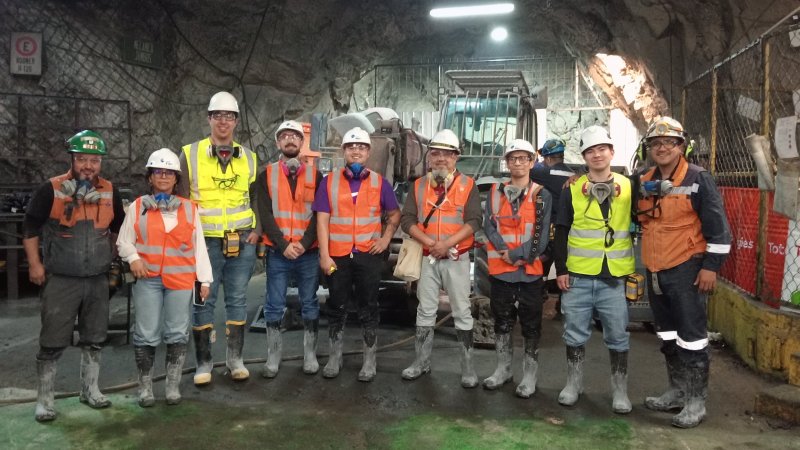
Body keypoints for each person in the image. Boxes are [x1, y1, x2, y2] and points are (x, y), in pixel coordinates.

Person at [23, 130, 126, 422]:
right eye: (82, 159)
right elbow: (30, 228)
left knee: (94, 337)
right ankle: (45, 400)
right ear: (72, 159)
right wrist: (35, 265)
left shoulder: (108, 191)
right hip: (62, 279)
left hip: (96, 279)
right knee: (53, 339)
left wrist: (113, 255)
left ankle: (90, 390)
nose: (88, 166)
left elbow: (119, 226)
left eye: (94, 160)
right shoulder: (52, 189)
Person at [636, 117, 731, 428]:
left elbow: (718, 229)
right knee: (666, 334)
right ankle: (676, 391)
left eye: (669, 142)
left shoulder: (698, 178)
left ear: (681, 146)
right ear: (648, 148)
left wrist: (710, 268)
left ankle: (695, 401)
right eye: (656, 143)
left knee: (691, 338)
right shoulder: (644, 178)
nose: (662, 148)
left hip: (686, 268)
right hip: (654, 267)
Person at [117, 148, 213, 407]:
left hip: (181, 281)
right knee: (146, 333)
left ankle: (172, 386)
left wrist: (204, 280)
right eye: (158, 172)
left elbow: (199, 247)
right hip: (148, 278)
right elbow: (124, 241)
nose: (163, 177)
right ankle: (145, 387)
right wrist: (134, 258)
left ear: (176, 179)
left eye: (168, 173)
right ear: (150, 177)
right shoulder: (138, 207)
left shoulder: (190, 209)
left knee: (177, 332)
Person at [177, 91, 259, 385]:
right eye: (218, 116)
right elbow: (181, 200)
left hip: (241, 240)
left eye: (229, 116)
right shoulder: (189, 153)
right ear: (208, 118)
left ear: (236, 121)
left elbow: (255, 198)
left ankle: (235, 360)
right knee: (203, 301)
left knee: (238, 299)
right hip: (205, 243)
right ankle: (203, 363)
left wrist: (257, 232)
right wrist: (189, 241)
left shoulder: (249, 157)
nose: (223, 121)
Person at [554, 125, 634, 414]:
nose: (597, 154)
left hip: (613, 278)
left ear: (612, 152)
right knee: (574, 332)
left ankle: (620, 391)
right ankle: (574, 384)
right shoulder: (573, 188)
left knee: (617, 334)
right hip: (577, 275)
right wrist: (561, 270)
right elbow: (560, 230)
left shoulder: (628, 186)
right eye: (590, 151)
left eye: (602, 149)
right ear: (584, 157)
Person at [313, 127, 400, 381]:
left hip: (367, 256)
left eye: (361, 147)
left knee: (369, 307)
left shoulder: (379, 183)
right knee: (336, 306)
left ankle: (369, 362)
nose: (356, 151)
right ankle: (334, 358)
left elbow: (394, 215)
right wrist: (324, 255)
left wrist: (385, 239)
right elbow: (322, 221)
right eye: (351, 147)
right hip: (338, 257)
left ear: (368, 152)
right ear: (344, 152)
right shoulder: (329, 182)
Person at [400, 129, 482, 388]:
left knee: (462, 312)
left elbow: (474, 222)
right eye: (435, 153)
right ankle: (421, 363)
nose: (441, 159)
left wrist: (446, 244)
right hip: (428, 257)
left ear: (456, 157)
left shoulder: (468, 186)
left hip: (456, 257)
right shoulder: (418, 185)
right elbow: (407, 220)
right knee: (425, 311)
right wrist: (431, 244)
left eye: (447, 154)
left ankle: (468, 370)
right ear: (429, 157)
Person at [482, 139, 551, 398]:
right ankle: (503, 369)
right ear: (507, 162)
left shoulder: (542, 194)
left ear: (532, 162)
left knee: (531, 324)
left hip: (530, 272)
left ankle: (530, 375)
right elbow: (489, 226)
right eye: (513, 158)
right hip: (502, 271)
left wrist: (517, 255)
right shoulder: (495, 192)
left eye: (523, 158)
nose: (518, 163)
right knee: (502, 320)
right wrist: (505, 253)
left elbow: (542, 237)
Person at [254, 120, 323, 378]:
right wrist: (284, 246)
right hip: (279, 253)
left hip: (308, 252)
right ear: (278, 143)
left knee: (310, 302)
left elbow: (319, 215)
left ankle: (310, 355)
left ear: (301, 142)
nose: (290, 140)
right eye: (284, 136)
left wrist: (304, 244)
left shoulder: (316, 176)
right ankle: (273, 356)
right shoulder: (267, 176)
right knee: (273, 304)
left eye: (294, 136)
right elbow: (266, 214)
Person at [531, 139, 575, 318]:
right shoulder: (574, 175)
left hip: (551, 228)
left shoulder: (544, 172)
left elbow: (525, 170)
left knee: (540, 264)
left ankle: (537, 297)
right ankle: (562, 307)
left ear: (548, 158)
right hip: (570, 229)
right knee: (566, 267)